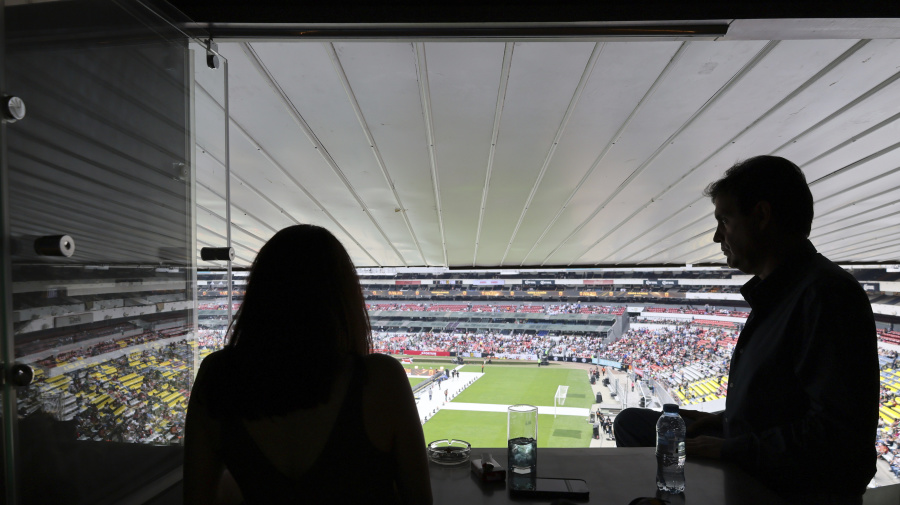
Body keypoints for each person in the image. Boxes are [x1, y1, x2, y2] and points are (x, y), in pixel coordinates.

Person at [613, 156, 879, 504]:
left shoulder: (826, 296)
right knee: (633, 422)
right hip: (753, 455)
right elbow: (783, 407)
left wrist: (729, 448)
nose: (716, 237)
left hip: (779, 486)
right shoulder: (788, 292)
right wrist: (721, 421)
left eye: (724, 221)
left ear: (762, 216)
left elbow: (838, 440)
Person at [183, 225, 432, 505]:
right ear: (343, 298)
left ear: (260, 293)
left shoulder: (216, 374)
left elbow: (197, 497)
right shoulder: (381, 378)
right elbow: (419, 499)